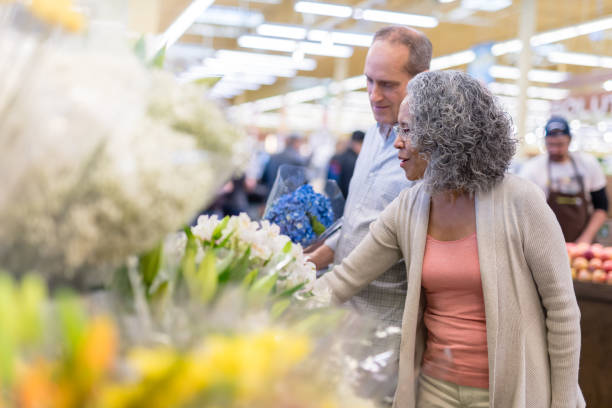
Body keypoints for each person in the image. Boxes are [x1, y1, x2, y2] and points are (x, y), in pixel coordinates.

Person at [314, 70, 584, 407]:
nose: (397, 141)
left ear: (445, 136)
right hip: (433, 389)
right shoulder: (409, 208)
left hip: (509, 391)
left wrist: (562, 400)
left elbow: (562, 311)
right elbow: (344, 279)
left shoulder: (520, 201)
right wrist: (272, 297)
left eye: (408, 131)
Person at [519, 116, 608, 243]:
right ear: (545, 141)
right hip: (546, 243)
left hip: (582, 245)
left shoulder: (588, 164)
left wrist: (586, 239)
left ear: (570, 140)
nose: (555, 149)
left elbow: (601, 206)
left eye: (560, 144)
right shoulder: (533, 169)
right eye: (551, 144)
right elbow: (524, 210)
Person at [327, 130, 365, 199]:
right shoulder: (358, 161)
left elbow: (330, 179)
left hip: (335, 197)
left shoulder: (336, 157)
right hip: (348, 199)